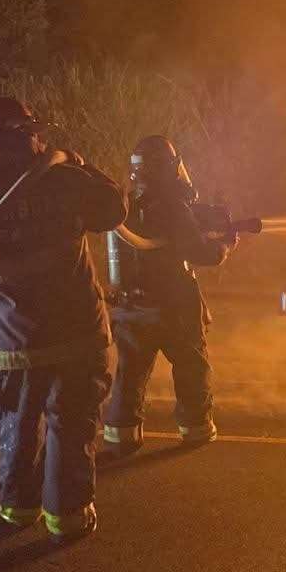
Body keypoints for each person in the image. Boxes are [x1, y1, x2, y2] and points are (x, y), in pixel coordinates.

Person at [0, 97, 126, 544]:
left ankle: (18, 510)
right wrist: (82, 164)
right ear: (27, 135)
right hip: (77, 336)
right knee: (73, 422)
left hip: (11, 342)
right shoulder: (64, 178)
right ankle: (70, 517)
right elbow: (115, 208)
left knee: (17, 425)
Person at [102, 135, 236, 455]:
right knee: (191, 366)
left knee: (130, 372)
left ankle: (122, 436)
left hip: (133, 307)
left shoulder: (125, 207)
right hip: (173, 306)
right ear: (168, 167)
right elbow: (200, 252)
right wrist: (225, 245)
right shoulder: (173, 207)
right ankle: (196, 429)